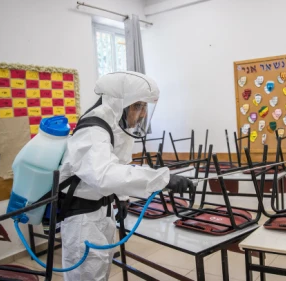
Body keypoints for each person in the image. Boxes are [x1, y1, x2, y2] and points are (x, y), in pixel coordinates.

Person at [58, 71, 194, 281]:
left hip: (102, 210)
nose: (142, 114)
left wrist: (122, 198)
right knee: (86, 275)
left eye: (145, 107)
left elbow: (120, 165)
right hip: (82, 218)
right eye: (137, 106)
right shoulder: (92, 130)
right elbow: (104, 174)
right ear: (119, 102)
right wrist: (162, 179)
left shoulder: (117, 128)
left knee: (101, 270)